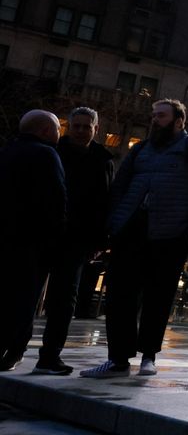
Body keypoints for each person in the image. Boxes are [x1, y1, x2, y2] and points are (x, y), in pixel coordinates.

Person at [81, 99, 188, 379]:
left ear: (179, 120)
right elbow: (120, 186)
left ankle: (148, 356)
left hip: (170, 233)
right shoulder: (140, 150)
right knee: (120, 295)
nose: (155, 120)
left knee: (159, 296)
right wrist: (115, 222)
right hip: (131, 229)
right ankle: (118, 359)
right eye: (154, 116)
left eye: (162, 116)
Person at [33, 107, 113, 375]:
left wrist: (99, 240)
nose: (80, 131)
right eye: (76, 126)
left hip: (76, 239)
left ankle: (49, 355)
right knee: (31, 295)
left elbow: (104, 204)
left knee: (63, 300)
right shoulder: (53, 152)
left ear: (95, 128)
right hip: (47, 234)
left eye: (85, 127)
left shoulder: (102, 160)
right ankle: (24, 350)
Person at [0, 110, 67, 372]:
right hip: (32, 242)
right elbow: (56, 201)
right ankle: (13, 349)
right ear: (45, 131)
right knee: (24, 299)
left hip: (7, 239)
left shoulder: (6, 151)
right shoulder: (46, 155)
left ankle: (13, 349)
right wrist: (55, 241)